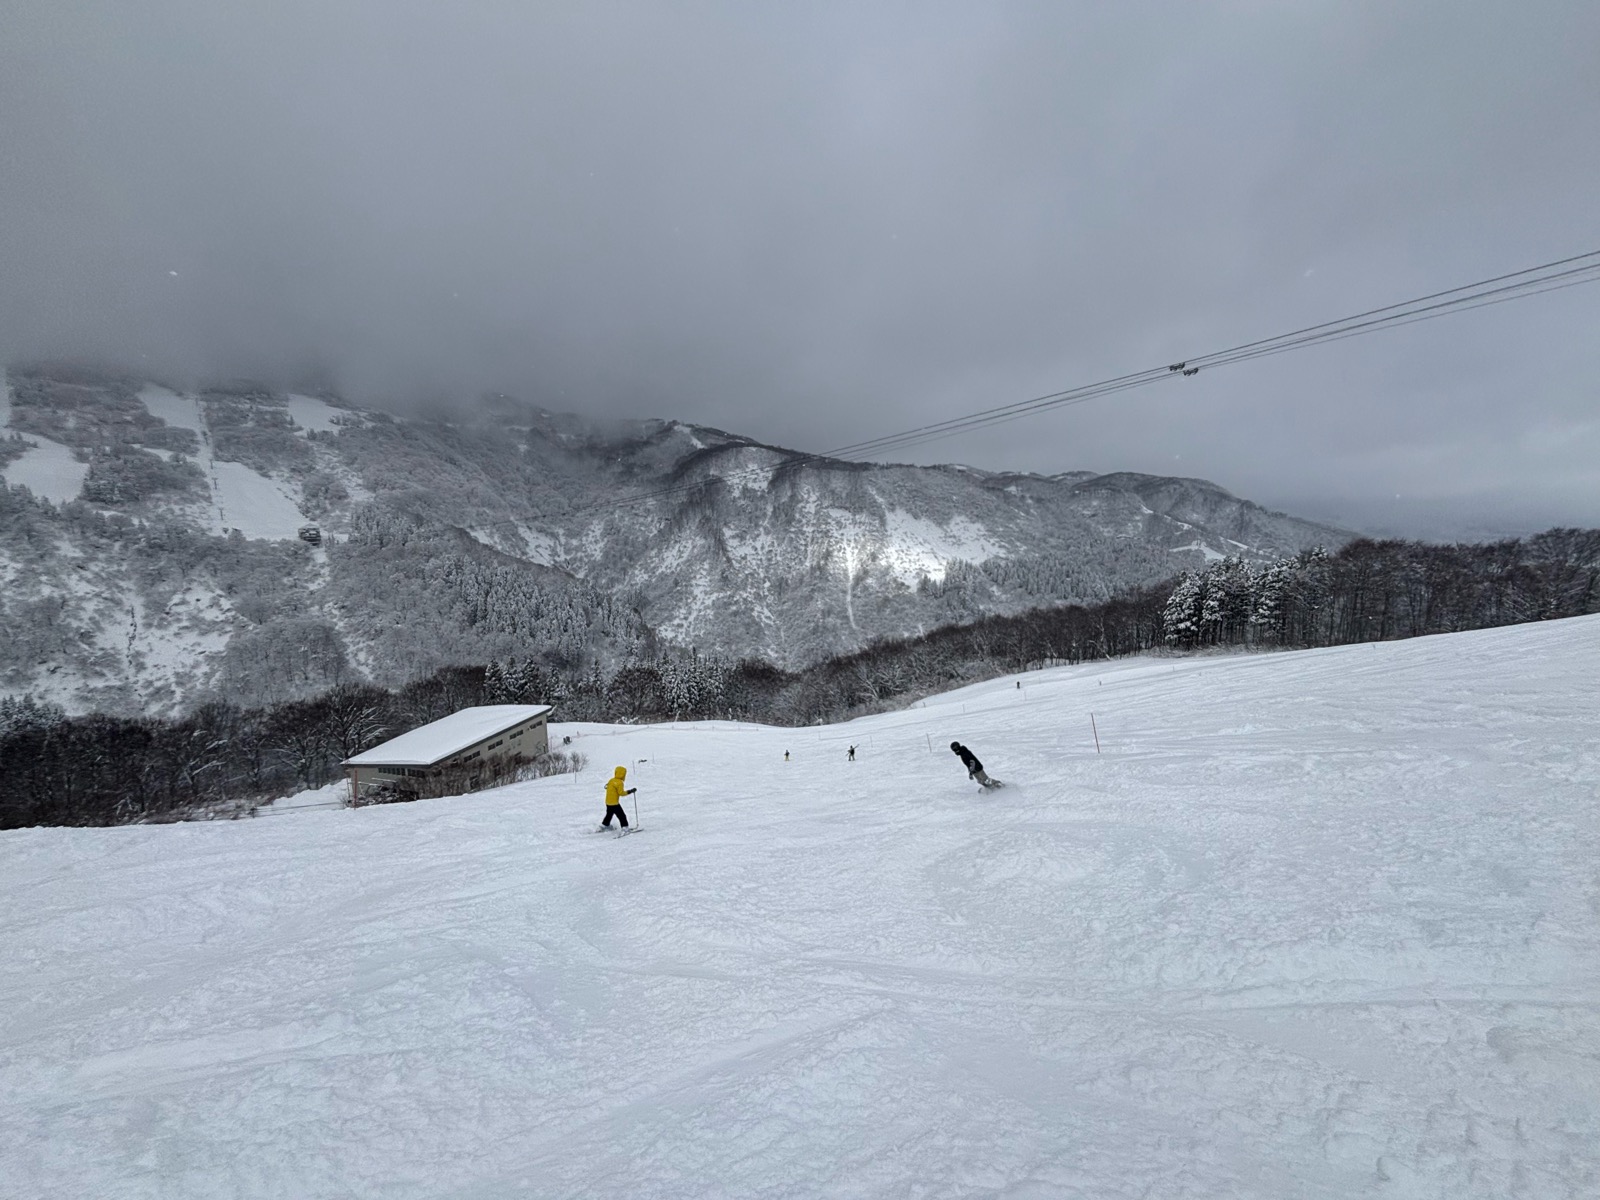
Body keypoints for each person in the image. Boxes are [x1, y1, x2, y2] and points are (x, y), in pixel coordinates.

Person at [600, 765, 635, 829]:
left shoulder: (611, 780)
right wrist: (630, 791)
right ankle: (625, 828)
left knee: (609, 814)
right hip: (614, 803)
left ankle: (605, 825)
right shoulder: (619, 782)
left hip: (608, 802)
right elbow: (621, 793)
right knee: (622, 816)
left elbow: (608, 787)